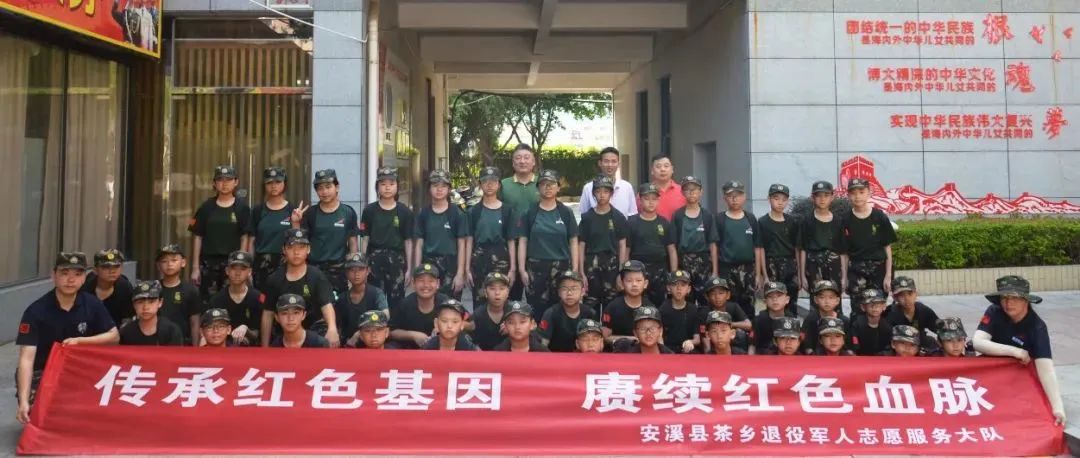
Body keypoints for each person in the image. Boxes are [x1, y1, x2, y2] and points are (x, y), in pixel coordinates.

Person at [15, 253, 119, 424]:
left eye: (77, 274)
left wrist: (80, 341)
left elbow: (114, 336)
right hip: (44, 373)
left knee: (100, 417)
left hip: (82, 372)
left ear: (84, 278)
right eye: (64, 273)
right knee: (39, 418)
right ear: (53, 275)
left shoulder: (92, 304)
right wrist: (24, 400)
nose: (71, 280)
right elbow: (26, 359)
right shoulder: (36, 311)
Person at [973, 275, 1066, 425]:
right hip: (991, 375)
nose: (1008, 303)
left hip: (1018, 380)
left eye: (1014, 298)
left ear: (1026, 301)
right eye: (1004, 298)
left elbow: (1046, 370)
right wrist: (1016, 351)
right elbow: (978, 342)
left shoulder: (1037, 327)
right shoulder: (994, 311)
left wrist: (1058, 408)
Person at [259, 229, 339, 347]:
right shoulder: (274, 279)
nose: (296, 252)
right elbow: (268, 313)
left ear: (308, 249)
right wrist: (264, 347)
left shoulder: (317, 276)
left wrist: (332, 328)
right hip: (286, 330)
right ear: (284, 250)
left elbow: (326, 304)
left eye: (301, 247)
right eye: (291, 247)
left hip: (314, 328)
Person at [517, 169, 579, 319]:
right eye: (544, 184)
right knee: (535, 310)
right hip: (535, 268)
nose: (548, 187)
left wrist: (575, 269)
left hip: (561, 267)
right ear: (538, 188)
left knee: (561, 309)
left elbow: (573, 241)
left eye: (552, 184)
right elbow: (523, 241)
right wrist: (522, 269)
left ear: (558, 188)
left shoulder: (565, 212)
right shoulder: (530, 212)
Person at [189, 165, 251, 303]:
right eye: (220, 180)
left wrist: (242, 264)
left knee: (231, 301)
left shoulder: (242, 207)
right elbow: (197, 236)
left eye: (228, 180)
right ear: (214, 183)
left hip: (232, 264)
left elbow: (244, 237)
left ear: (236, 182)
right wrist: (195, 268)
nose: (224, 184)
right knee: (208, 303)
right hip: (208, 264)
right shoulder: (206, 207)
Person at [295, 168, 360, 296]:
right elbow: (300, 242)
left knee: (338, 305)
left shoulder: (348, 212)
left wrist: (353, 269)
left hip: (339, 272)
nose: (324, 192)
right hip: (314, 270)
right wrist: (296, 222)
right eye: (320, 188)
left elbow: (353, 243)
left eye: (328, 187)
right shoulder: (311, 213)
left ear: (337, 187)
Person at [360, 167, 415, 309]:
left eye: (391, 184)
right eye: (383, 184)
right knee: (374, 299)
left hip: (397, 261)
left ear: (397, 186)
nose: (387, 187)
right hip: (374, 260)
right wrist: (362, 263)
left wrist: (409, 268)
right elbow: (365, 238)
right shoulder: (369, 210)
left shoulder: (404, 212)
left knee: (397, 301)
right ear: (377, 187)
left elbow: (408, 241)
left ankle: (394, 323)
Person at [578, 176, 629, 314]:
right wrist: (581, 271)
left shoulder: (618, 217)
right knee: (590, 307)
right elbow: (581, 244)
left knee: (611, 307)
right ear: (593, 194)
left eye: (606, 192)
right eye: (598, 191)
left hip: (612, 266)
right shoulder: (587, 217)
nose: (602, 195)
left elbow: (622, 244)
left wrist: (621, 270)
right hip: (591, 265)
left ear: (611, 194)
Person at [414, 169, 468, 299]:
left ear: (449, 189)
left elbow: (462, 245)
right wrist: (416, 271)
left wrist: (460, 274)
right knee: (428, 303)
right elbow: (419, 244)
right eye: (435, 186)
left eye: (443, 186)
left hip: (451, 265)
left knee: (451, 306)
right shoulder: (423, 214)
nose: (439, 189)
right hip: (428, 265)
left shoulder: (457, 213)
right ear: (429, 188)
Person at [467, 166, 516, 306]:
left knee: (501, 301)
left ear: (499, 184)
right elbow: (469, 240)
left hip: (501, 259)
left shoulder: (507, 210)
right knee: (480, 301)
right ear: (480, 184)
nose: (489, 185)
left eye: (493, 181)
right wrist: (466, 268)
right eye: (485, 181)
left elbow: (511, 240)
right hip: (479, 259)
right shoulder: (474, 211)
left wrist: (513, 268)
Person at [841, 178, 897, 299]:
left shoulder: (879, 217)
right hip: (856, 270)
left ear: (869, 193)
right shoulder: (845, 219)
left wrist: (888, 275)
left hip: (878, 270)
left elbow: (887, 248)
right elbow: (844, 253)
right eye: (853, 193)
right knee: (857, 307)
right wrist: (844, 277)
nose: (857, 196)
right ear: (848, 195)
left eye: (861, 192)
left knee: (878, 306)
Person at [797, 181, 846, 313]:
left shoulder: (838, 221)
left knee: (834, 301)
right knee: (816, 302)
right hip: (814, 266)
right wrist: (802, 276)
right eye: (818, 195)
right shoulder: (807, 221)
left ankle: (836, 325)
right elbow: (802, 249)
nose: (822, 199)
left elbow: (842, 251)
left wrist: (844, 276)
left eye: (826, 195)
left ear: (832, 197)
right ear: (812, 197)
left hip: (834, 266)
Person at [499, 143, 540, 300]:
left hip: (536, 245)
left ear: (533, 162)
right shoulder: (503, 185)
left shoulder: (542, 184)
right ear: (513, 163)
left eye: (526, 157)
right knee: (510, 295)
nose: (522, 161)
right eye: (518, 158)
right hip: (510, 245)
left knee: (536, 295)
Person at [626, 183, 677, 306]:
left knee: (660, 305)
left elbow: (671, 250)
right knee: (637, 304)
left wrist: (674, 274)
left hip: (660, 270)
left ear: (658, 200)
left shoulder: (664, 222)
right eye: (646, 198)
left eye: (654, 199)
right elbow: (626, 249)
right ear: (640, 200)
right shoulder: (632, 222)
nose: (650, 202)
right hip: (637, 270)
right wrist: (623, 270)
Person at [715, 180, 761, 318]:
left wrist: (758, 274)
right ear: (725, 198)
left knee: (749, 306)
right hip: (727, 270)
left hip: (748, 270)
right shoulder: (720, 219)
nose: (734, 199)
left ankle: (749, 331)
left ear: (744, 197)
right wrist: (715, 272)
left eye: (738, 195)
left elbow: (757, 247)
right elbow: (715, 247)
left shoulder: (750, 218)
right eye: (730, 196)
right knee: (728, 307)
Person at [247, 166, 296, 290]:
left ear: (284, 184)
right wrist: (248, 267)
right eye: (269, 183)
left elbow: (297, 240)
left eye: (278, 182)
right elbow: (251, 241)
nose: (274, 186)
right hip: (261, 265)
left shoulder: (293, 210)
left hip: (286, 263)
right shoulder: (258, 211)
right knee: (263, 299)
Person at [671, 176, 718, 304]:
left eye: (695, 189)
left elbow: (713, 244)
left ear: (701, 192)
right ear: (682, 192)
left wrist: (715, 271)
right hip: (683, 261)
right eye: (687, 189)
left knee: (705, 300)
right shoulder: (678, 215)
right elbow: (672, 246)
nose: (691, 192)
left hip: (703, 263)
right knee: (684, 300)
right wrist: (674, 271)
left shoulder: (707, 215)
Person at [755, 184, 800, 315]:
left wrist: (798, 273)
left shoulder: (792, 222)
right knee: (773, 301)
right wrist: (764, 275)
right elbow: (761, 249)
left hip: (790, 265)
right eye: (776, 198)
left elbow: (797, 248)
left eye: (784, 199)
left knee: (791, 301)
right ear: (769, 199)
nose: (780, 203)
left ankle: (791, 326)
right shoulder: (763, 222)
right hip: (771, 265)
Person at [389, 263, 452, 349]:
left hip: (440, 349)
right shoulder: (405, 304)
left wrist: (445, 328)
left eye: (431, 281)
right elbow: (391, 331)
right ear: (413, 283)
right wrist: (412, 335)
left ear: (438, 283)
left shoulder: (446, 303)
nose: (426, 285)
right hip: (410, 349)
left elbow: (466, 323)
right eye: (421, 280)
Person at [207, 251, 263, 346]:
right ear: (227, 271)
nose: (238, 273)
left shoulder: (257, 298)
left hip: (252, 350)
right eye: (233, 268)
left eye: (243, 269)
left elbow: (259, 333)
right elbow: (211, 331)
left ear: (249, 272)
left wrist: (246, 330)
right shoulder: (217, 300)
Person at [332, 252, 388, 347]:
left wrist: (359, 333)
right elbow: (337, 325)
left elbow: (385, 315)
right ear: (346, 273)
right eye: (352, 270)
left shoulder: (376, 293)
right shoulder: (342, 298)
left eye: (361, 269)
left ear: (368, 271)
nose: (356, 274)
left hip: (371, 342)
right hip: (349, 343)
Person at [538, 271, 598, 352]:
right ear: (559, 292)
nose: (569, 293)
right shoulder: (551, 313)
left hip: (583, 357)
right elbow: (542, 346)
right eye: (564, 289)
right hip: (556, 357)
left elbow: (596, 343)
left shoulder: (590, 313)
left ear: (582, 292)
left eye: (574, 288)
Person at [155, 244, 202, 345]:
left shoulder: (191, 290)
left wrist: (196, 348)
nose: (169, 264)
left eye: (174, 260)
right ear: (158, 265)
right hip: (157, 343)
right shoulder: (154, 289)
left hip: (182, 344)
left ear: (183, 262)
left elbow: (194, 323)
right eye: (164, 261)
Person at [602, 260, 653, 348]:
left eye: (638, 280)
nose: (634, 284)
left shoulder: (650, 308)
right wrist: (630, 340)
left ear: (645, 284)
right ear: (622, 284)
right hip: (618, 352)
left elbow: (656, 337)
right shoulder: (612, 308)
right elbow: (605, 337)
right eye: (629, 281)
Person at [697, 276, 751, 354]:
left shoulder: (733, 306)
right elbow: (704, 336)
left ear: (728, 295)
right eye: (713, 294)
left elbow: (748, 325)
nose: (717, 297)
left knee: (740, 334)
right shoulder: (703, 312)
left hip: (731, 342)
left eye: (721, 293)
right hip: (713, 343)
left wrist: (728, 325)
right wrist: (708, 355)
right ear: (707, 297)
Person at [119, 280, 183, 346]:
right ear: (134, 304)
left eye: (151, 302)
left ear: (160, 302)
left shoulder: (171, 331)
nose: (146, 307)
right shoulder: (126, 332)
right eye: (140, 302)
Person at [578, 147, 637, 217]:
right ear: (600, 163)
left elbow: (632, 214)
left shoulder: (627, 187)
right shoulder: (588, 188)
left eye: (614, 161)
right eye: (606, 161)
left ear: (618, 164)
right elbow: (584, 215)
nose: (610, 165)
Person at [81, 249, 135, 327]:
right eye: (106, 267)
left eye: (116, 266)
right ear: (95, 270)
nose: (112, 271)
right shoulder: (84, 286)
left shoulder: (125, 288)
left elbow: (128, 319)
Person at [885, 276, 940, 349]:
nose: (907, 298)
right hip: (899, 349)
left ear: (916, 294)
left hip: (920, 345)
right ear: (895, 297)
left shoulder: (924, 311)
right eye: (901, 295)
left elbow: (941, 330)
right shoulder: (889, 314)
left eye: (910, 293)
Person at [800, 280, 847, 355]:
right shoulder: (810, 319)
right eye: (822, 297)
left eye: (831, 297)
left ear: (837, 300)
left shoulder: (844, 320)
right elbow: (807, 346)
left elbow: (849, 346)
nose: (827, 301)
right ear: (816, 300)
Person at [659, 270, 699, 354]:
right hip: (668, 350)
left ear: (688, 289)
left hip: (687, 349)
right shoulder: (663, 309)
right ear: (668, 288)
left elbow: (697, 338)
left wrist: (690, 342)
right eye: (674, 284)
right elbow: (659, 336)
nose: (679, 288)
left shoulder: (693, 309)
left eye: (683, 285)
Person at [469, 272, 512, 350]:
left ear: (507, 292)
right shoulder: (478, 315)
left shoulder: (515, 312)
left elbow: (532, 333)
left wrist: (513, 329)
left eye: (502, 288)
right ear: (485, 292)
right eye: (492, 289)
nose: (497, 293)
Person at [750, 281, 795, 354]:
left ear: (787, 299)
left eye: (779, 296)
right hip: (763, 357)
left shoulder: (791, 319)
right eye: (770, 297)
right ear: (765, 301)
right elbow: (752, 345)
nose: (775, 299)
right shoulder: (759, 320)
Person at [848, 288, 893, 356]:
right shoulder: (857, 325)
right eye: (870, 304)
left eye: (878, 304)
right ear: (863, 307)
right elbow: (854, 346)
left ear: (884, 306)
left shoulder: (888, 325)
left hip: (882, 359)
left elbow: (889, 347)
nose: (874, 307)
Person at [644, 155, 685, 221]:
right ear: (652, 170)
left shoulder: (683, 192)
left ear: (672, 169)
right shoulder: (644, 193)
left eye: (666, 166)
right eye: (658, 166)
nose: (662, 169)